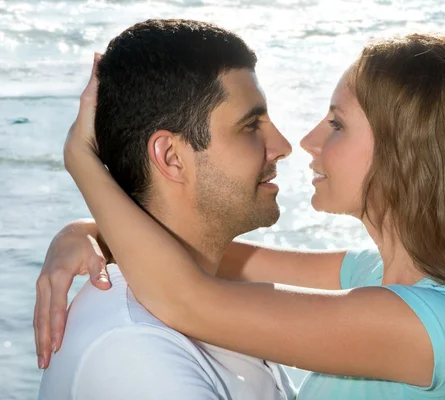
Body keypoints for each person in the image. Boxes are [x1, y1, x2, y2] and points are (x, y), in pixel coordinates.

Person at [36, 32, 445, 399]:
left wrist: (82, 160)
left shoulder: (443, 326)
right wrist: (87, 233)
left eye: (337, 124)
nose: (307, 142)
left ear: (407, 152)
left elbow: (187, 298)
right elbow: (202, 255)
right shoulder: (372, 276)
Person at [36, 19, 297, 400]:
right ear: (172, 157)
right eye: (250, 125)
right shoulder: (134, 351)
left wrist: (90, 227)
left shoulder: (214, 296)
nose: (283, 145)